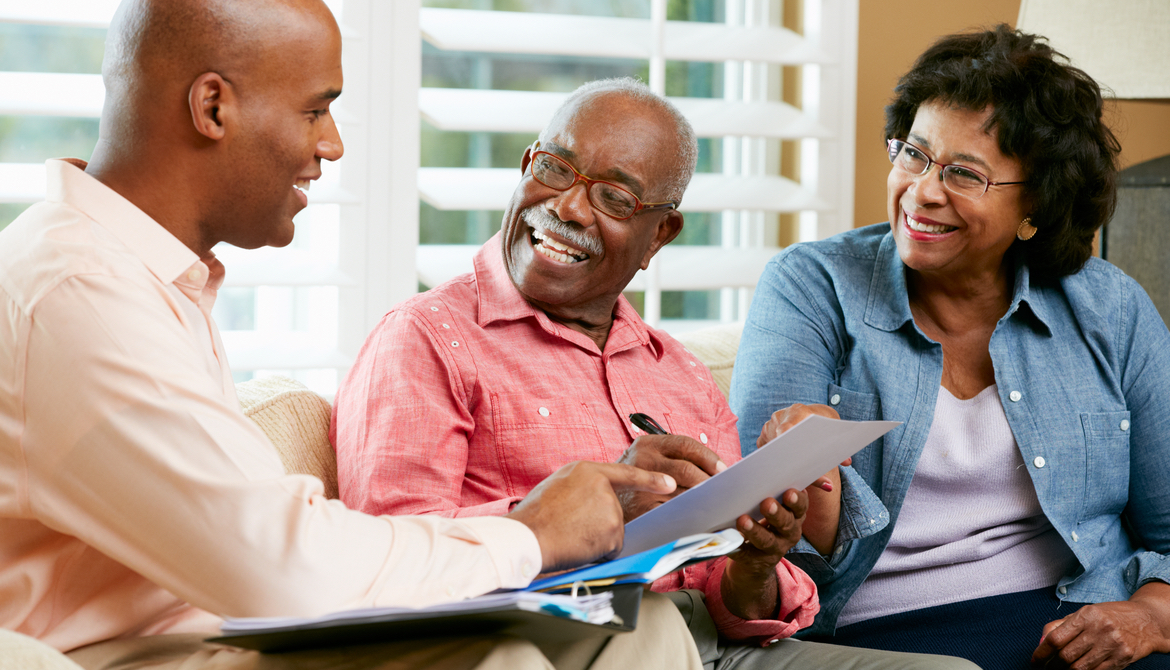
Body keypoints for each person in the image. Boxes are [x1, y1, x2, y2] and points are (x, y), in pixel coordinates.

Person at [0, 2, 707, 669]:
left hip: (221, 633)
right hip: (136, 653)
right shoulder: (75, 291)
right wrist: (530, 533)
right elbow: (280, 567)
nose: (332, 145)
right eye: (316, 109)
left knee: (642, 626)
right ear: (213, 107)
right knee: (505, 659)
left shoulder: (144, 277)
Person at [332, 78, 977, 670]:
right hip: (562, 643)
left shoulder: (679, 372)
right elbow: (393, 568)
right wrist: (595, 513)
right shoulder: (426, 339)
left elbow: (739, 609)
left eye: (613, 197)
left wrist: (755, 560)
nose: (571, 207)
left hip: (724, 649)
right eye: (556, 168)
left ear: (659, 234)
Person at [730, 24, 1170, 670]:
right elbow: (772, 558)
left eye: (964, 173)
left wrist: (1152, 613)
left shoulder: (1110, 308)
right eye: (914, 153)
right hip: (880, 635)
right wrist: (806, 492)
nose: (923, 190)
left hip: (1080, 620)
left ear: (1035, 212)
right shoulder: (810, 287)